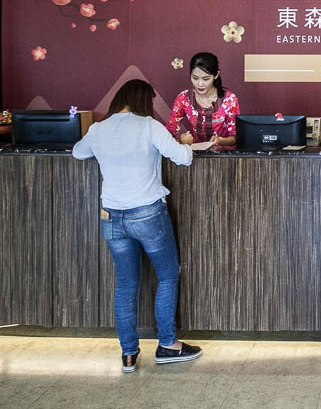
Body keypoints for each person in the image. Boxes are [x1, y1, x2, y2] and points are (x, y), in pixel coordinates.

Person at [73, 79, 215, 373]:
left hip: (112, 217)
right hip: (148, 214)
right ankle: (168, 345)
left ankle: (128, 353)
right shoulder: (149, 126)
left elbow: (78, 152)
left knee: (126, 285)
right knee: (167, 276)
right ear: (143, 100)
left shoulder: (99, 129)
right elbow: (183, 158)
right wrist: (186, 146)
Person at [168, 52, 239, 147]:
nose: (200, 84)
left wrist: (221, 140)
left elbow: (235, 136)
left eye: (206, 79)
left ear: (216, 75)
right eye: (195, 78)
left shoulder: (229, 99)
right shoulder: (184, 98)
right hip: (193, 153)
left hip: (223, 154)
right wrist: (181, 140)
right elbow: (168, 133)